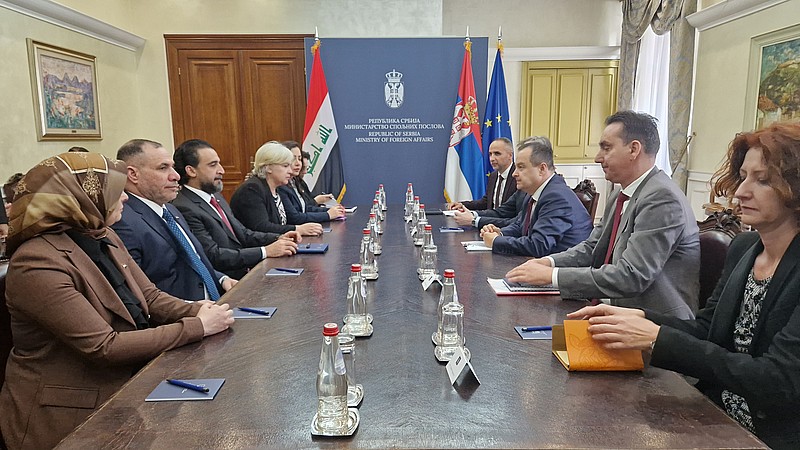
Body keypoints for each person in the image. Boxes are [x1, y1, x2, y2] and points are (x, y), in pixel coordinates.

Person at [567, 122, 800, 449]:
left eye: (762, 180)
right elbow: (708, 328)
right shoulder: (744, 248)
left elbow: (778, 380)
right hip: (717, 414)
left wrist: (656, 338)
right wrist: (640, 318)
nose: (741, 192)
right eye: (743, 176)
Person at [0, 152, 233, 449]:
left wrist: (201, 309)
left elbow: (150, 296)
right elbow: (104, 346)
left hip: (131, 383)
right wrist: (197, 326)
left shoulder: (102, 233)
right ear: (80, 199)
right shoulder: (36, 261)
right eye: (115, 191)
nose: (124, 198)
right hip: (72, 415)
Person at [507, 111, 699, 319]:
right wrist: (548, 263)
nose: (598, 158)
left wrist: (553, 276)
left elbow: (631, 276)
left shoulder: (661, 198)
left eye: (606, 148)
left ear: (634, 149)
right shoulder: (621, 193)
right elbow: (593, 248)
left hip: (651, 323)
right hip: (611, 310)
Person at [112, 139, 236, 301]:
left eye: (172, 167)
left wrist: (221, 279)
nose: (176, 176)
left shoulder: (170, 209)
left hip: (217, 301)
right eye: (163, 168)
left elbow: (192, 261)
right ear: (133, 174)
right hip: (186, 313)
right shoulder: (122, 221)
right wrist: (192, 310)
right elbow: (139, 292)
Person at [172, 139, 301, 279]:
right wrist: (265, 251)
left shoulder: (215, 196)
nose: (221, 170)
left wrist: (278, 237)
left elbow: (243, 233)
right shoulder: (184, 207)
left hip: (245, 272)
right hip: (227, 281)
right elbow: (213, 255)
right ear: (191, 171)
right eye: (213, 165)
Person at [480, 136, 592, 256]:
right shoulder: (533, 192)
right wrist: (500, 232)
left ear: (542, 169)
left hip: (562, 265)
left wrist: (496, 241)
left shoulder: (556, 197)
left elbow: (539, 245)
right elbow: (520, 226)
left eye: (521, 167)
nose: (514, 174)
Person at [230, 141, 323, 236]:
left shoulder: (276, 188)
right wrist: (297, 229)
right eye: (285, 166)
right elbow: (262, 227)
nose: (290, 171)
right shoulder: (252, 189)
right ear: (268, 167)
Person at [279, 140, 344, 222]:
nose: (298, 163)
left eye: (299, 159)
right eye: (293, 159)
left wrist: (332, 211)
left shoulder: (295, 181)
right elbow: (294, 217)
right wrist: (328, 215)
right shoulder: (281, 186)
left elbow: (306, 208)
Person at [448, 137, 516, 211]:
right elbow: (486, 202)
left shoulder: (518, 176)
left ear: (510, 155)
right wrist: (462, 205)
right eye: (490, 154)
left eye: (497, 154)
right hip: (491, 217)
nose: (492, 159)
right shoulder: (493, 176)